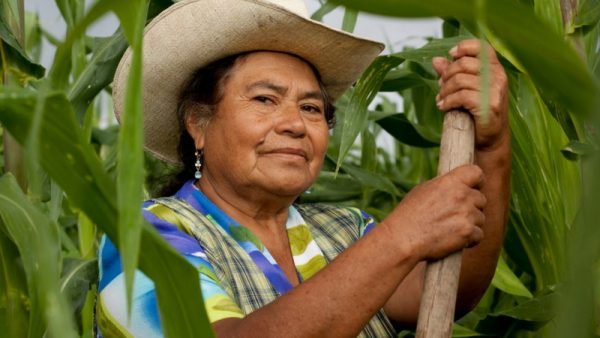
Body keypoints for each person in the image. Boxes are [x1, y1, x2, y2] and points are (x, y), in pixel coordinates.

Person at [97, 0, 510, 337]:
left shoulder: (345, 232)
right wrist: (401, 237)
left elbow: (444, 292)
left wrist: (491, 147)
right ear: (198, 125)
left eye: (311, 108)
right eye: (264, 100)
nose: (295, 124)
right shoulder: (144, 238)